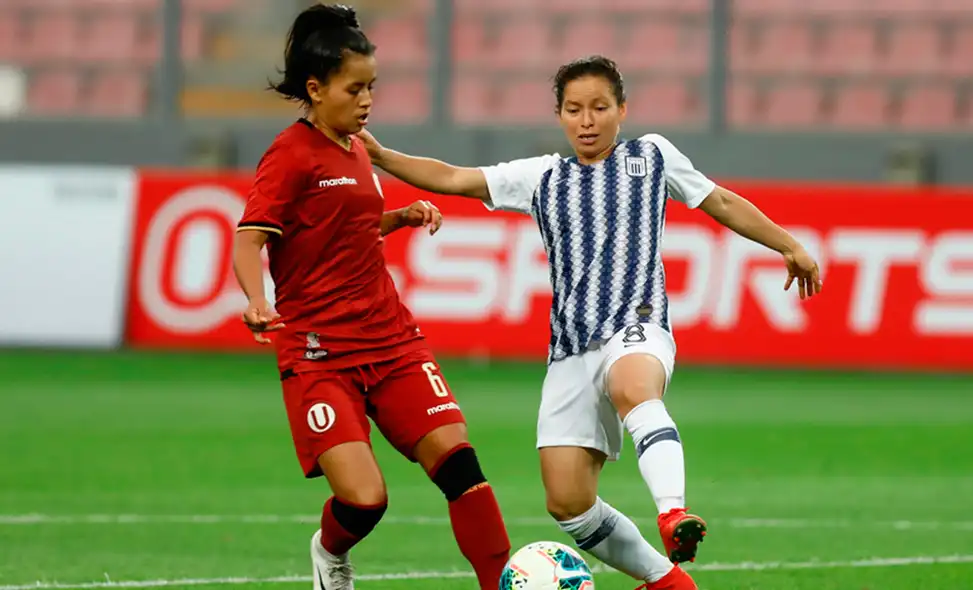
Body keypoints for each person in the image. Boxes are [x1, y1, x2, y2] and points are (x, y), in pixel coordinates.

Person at [359, 55, 823, 590]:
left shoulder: (651, 156)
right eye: (574, 109)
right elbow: (453, 177)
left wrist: (788, 245)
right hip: (571, 349)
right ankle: (667, 582)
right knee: (568, 503)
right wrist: (381, 155)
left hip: (638, 324)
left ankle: (673, 512)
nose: (587, 120)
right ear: (559, 115)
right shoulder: (540, 177)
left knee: (635, 388)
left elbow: (718, 200)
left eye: (599, 107)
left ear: (621, 110)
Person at [231, 5, 511, 590]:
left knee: (462, 466)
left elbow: (342, 227)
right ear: (316, 88)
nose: (367, 100)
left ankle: (499, 584)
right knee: (365, 501)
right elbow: (250, 235)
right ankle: (329, 552)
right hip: (319, 352)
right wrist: (257, 301)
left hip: (391, 338)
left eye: (372, 87)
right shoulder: (290, 155)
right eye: (354, 88)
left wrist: (399, 217)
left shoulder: (358, 147)